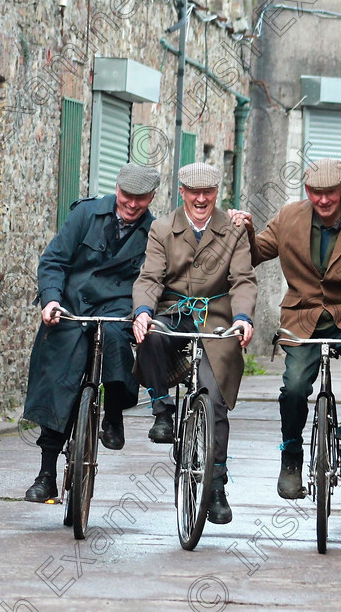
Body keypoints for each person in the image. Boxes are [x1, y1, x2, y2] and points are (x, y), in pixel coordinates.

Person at [229, 158, 341, 499]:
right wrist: (246, 227)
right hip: (302, 317)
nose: (323, 200)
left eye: (330, 193)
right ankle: (291, 458)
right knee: (294, 386)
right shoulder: (290, 217)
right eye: (316, 193)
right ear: (307, 191)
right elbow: (258, 252)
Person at [22, 162, 160, 503]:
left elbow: (156, 279)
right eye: (127, 196)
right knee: (59, 375)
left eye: (140, 199)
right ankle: (47, 473)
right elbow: (53, 260)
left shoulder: (155, 232)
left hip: (116, 310)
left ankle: (113, 412)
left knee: (115, 343)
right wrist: (51, 300)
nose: (132, 204)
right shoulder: (85, 215)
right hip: (72, 307)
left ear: (152, 197)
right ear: (117, 189)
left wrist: (144, 314)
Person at [132, 162, 256, 524]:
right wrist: (142, 311)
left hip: (216, 314)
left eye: (208, 192)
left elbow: (244, 280)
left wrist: (242, 318)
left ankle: (216, 486)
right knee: (150, 335)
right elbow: (149, 277)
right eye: (193, 191)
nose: (201, 199)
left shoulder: (233, 229)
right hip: (173, 309)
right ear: (182, 192)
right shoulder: (161, 228)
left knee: (214, 401)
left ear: (217, 193)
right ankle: (161, 412)